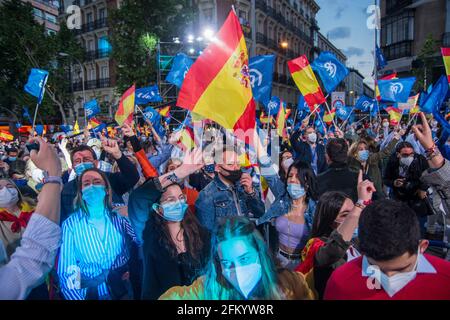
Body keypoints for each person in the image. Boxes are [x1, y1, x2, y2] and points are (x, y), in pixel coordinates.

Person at [159, 216, 314, 300]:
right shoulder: (212, 287)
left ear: (260, 253)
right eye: (227, 263)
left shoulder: (291, 284)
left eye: (245, 259)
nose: (237, 271)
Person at [324, 199, 450, 300]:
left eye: (401, 270)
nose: (389, 278)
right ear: (363, 251)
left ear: (422, 247)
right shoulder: (341, 283)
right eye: (375, 269)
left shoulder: (446, 280)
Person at [58, 168, 138, 300]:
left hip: (124, 286)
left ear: (107, 190)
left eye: (96, 182)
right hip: (89, 291)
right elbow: (68, 269)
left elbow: (140, 240)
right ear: (81, 192)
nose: (92, 187)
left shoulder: (121, 213)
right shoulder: (71, 224)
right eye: (86, 184)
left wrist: (131, 217)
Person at [295, 171, 375, 299]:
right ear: (330, 221)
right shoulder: (317, 245)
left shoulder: (357, 243)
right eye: (345, 215)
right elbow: (335, 249)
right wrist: (359, 205)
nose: (352, 218)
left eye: (353, 210)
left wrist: (365, 205)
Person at [0, 137, 62, 299]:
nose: (6, 190)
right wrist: (53, 173)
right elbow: (32, 261)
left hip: (41, 283)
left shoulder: (35, 208)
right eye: (0, 188)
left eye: (9, 186)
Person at [129, 176, 210, 299]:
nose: (178, 204)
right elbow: (137, 198)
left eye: (181, 198)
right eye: (171, 200)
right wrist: (180, 172)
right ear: (158, 208)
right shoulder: (150, 237)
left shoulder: (201, 234)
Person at [60, 138, 140, 223]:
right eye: (77, 161)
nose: (82, 163)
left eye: (86, 159)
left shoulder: (109, 179)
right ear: (73, 167)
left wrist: (117, 154)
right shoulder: (66, 190)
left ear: (95, 163)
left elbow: (132, 177)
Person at [257, 160, 318, 270]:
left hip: (302, 264)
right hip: (276, 259)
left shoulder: (315, 210)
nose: (293, 180)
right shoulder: (283, 196)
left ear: (307, 182)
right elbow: (268, 171)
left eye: (298, 176)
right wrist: (257, 143)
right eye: (290, 176)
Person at [195, 147, 265, 232]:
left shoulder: (243, 186)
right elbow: (206, 233)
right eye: (230, 164)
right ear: (217, 168)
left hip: (246, 240)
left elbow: (260, 213)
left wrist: (250, 192)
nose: (236, 168)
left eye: (238, 164)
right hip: (226, 243)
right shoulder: (207, 195)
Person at [383, 141, 432, 228]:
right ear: (398, 154)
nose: (409, 157)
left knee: (415, 225)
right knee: (398, 224)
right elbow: (386, 179)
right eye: (405, 155)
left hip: (416, 197)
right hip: (398, 197)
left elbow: (429, 176)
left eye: (411, 154)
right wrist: (394, 183)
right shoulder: (392, 161)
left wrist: (423, 189)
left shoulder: (420, 160)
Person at [347, 130, 402, 199]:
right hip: (359, 196)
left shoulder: (371, 159)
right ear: (355, 153)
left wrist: (397, 137)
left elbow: (385, 152)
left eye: (365, 149)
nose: (364, 151)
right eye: (361, 149)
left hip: (376, 193)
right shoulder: (352, 166)